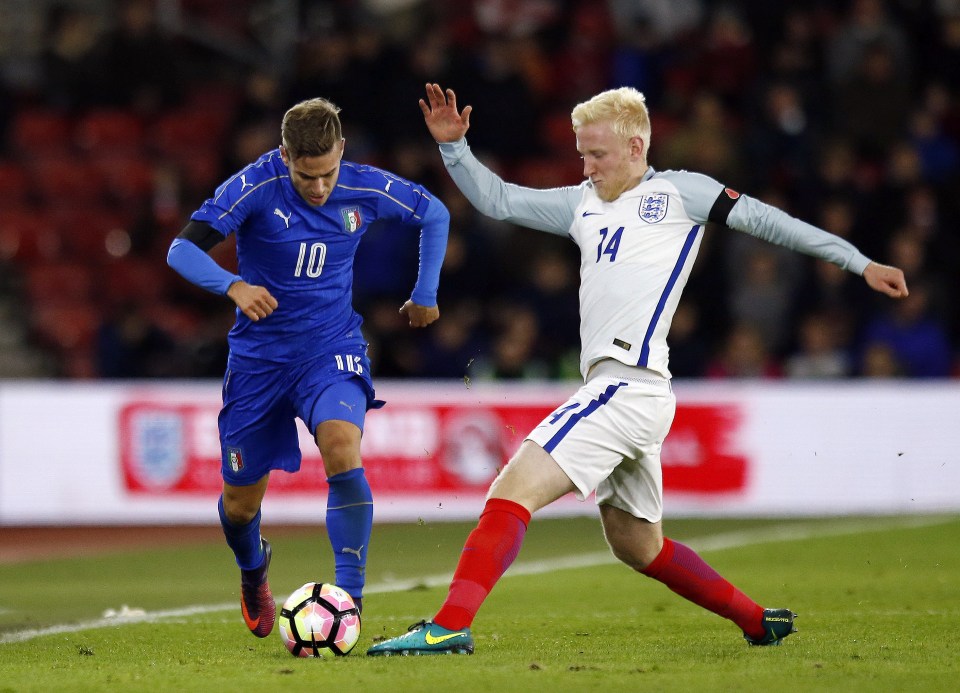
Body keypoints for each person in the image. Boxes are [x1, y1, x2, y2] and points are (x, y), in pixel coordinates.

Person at [366, 83, 908, 656]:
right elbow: (499, 199)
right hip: (627, 390)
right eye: (581, 154)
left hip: (628, 382)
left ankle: (450, 624)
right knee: (637, 544)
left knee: (512, 487)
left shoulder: (681, 193)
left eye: (596, 154)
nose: (587, 166)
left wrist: (859, 262)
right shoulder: (581, 204)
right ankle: (757, 621)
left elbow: (773, 223)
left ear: (635, 145)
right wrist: (456, 150)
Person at [166, 97, 449, 638]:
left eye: (327, 174)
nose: (318, 188)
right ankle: (253, 571)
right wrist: (234, 285)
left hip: (331, 347)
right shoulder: (252, 186)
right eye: (305, 175)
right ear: (283, 154)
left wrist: (426, 291)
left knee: (343, 446)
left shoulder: (365, 185)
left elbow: (434, 212)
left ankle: (351, 603)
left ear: (342, 150)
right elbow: (181, 250)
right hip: (259, 362)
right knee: (240, 505)